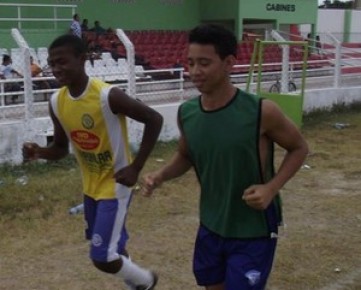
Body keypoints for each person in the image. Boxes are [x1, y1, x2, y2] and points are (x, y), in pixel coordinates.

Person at [142, 24, 309, 290]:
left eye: (204, 63)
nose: (195, 71)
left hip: (253, 230)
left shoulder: (261, 111)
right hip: (211, 224)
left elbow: (299, 148)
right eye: (191, 62)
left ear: (229, 63)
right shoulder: (187, 113)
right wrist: (160, 175)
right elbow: (186, 155)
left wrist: (271, 188)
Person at [22, 34, 162, 290]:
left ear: (82, 59)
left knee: (102, 257)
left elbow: (154, 119)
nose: (56, 69)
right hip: (90, 188)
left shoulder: (107, 96)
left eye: (62, 62)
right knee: (114, 247)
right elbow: (61, 149)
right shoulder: (57, 102)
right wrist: (39, 152)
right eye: (52, 64)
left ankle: (146, 281)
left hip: (116, 185)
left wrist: (135, 167)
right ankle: (136, 285)